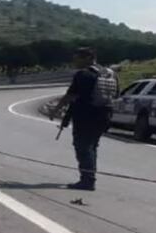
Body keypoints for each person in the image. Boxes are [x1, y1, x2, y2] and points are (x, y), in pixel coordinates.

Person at [51, 47, 118, 191]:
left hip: (86, 116)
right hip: (105, 115)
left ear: (88, 58)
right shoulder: (110, 74)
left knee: (83, 147)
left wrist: (56, 110)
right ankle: (89, 177)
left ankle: (87, 180)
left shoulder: (83, 74)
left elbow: (70, 95)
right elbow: (116, 94)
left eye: (77, 59)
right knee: (92, 146)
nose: (75, 62)